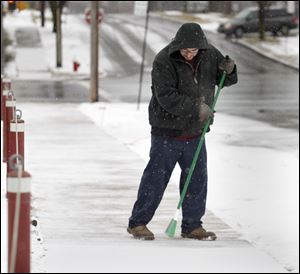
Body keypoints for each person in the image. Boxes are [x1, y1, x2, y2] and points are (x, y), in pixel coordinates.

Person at [127, 22, 237, 240]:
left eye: (193, 50)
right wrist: (197, 108)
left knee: (196, 180)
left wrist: (230, 71)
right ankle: (138, 223)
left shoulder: (209, 54)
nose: (188, 54)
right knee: (156, 179)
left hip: (195, 131)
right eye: (185, 50)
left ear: (201, 48)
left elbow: (224, 80)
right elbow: (166, 97)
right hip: (166, 131)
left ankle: (192, 226)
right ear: (177, 45)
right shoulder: (164, 60)